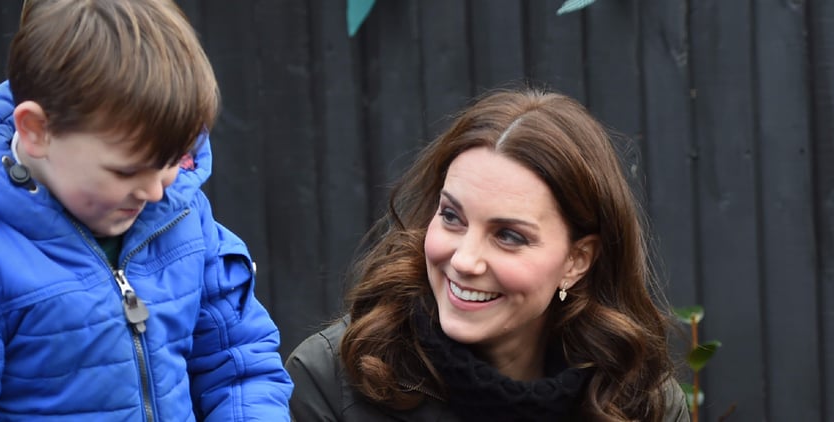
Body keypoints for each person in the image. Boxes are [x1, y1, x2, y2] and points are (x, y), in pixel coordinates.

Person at [0, 0, 292, 420]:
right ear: (36, 131)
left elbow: (240, 365)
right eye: (127, 170)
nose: (156, 191)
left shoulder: (184, 217)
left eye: (171, 161)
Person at [285, 87, 690, 421]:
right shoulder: (333, 379)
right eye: (451, 217)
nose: (463, 260)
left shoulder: (637, 399)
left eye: (509, 236)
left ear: (577, 261)